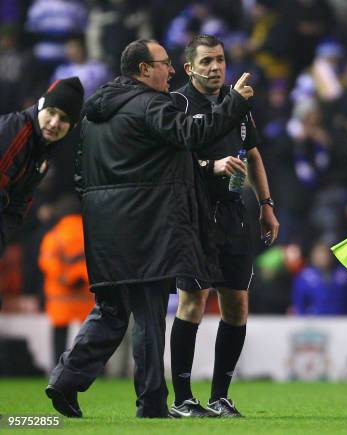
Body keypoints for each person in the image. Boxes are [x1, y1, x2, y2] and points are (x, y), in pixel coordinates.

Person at [45, 39, 254, 419]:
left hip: (103, 227)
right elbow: (193, 136)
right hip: (145, 226)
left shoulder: (94, 114)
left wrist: (100, 210)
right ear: (144, 70)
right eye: (164, 64)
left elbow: (80, 172)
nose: (171, 71)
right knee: (148, 313)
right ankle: (153, 404)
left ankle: (65, 380)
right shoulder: (151, 104)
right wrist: (235, 103)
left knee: (110, 311)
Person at [168, 34, 279, 418]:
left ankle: (219, 397)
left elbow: (253, 154)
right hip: (194, 214)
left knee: (237, 304)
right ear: (189, 68)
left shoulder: (239, 103)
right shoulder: (177, 103)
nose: (215, 67)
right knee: (193, 301)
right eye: (206, 62)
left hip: (234, 213)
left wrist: (266, 206)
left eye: (219, 60)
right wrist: (209, 167)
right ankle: (182, 398)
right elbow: (168, 161)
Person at [0, 76, 84, 310]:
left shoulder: (41, 151)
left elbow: (18, 205)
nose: (55, 122)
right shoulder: (17, 131)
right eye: (52, 112)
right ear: (40, 106)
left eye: (64, 119)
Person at [39, 195, 93, 366]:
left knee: (59, 335)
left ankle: (57, 369)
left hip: (60, 297)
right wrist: (81, 277)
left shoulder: (54, 236)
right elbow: (96, 260)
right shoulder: (91, 234)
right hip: (85, 296)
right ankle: (94, 369)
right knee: (91, 335)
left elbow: (47, 262)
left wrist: (66, 279)